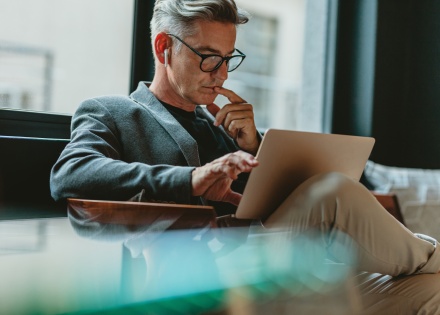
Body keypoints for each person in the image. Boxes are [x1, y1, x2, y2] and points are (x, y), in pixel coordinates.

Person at [50, 0, 440, 313]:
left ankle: (429, 262)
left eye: (228, 58)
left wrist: (255, 147)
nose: (221, 74)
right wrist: (191, 180)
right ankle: (431, 253)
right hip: (209, 276)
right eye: (208, 57)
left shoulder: (225, 127)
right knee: (333, 191)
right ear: (163, 47)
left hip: (282, 267)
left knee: (431, 290)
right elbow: (70, 173)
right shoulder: (112, 112)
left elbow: (270, 204)